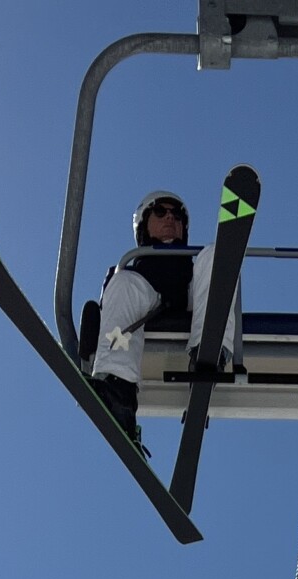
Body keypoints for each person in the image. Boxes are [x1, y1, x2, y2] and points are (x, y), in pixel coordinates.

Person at [87, 190, 244, 445]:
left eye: (177, 215)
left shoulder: (193, 265)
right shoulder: (131, 270)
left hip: (192, 301)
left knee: (216, 255)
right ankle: (117, 389)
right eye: (160, 212)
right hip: (147, 302)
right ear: (143, 224)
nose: (170, 218)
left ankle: (209, 352)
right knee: (123, 281)